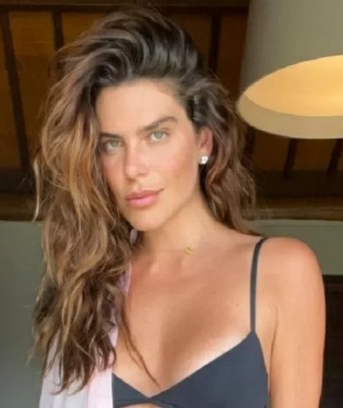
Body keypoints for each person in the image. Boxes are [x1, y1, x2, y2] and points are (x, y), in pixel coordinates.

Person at [32, 6, 325, 408]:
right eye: (112, 144)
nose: (133, 168)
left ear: (203, 141)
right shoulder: (87, 290)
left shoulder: (282, 271)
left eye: (156, 135)